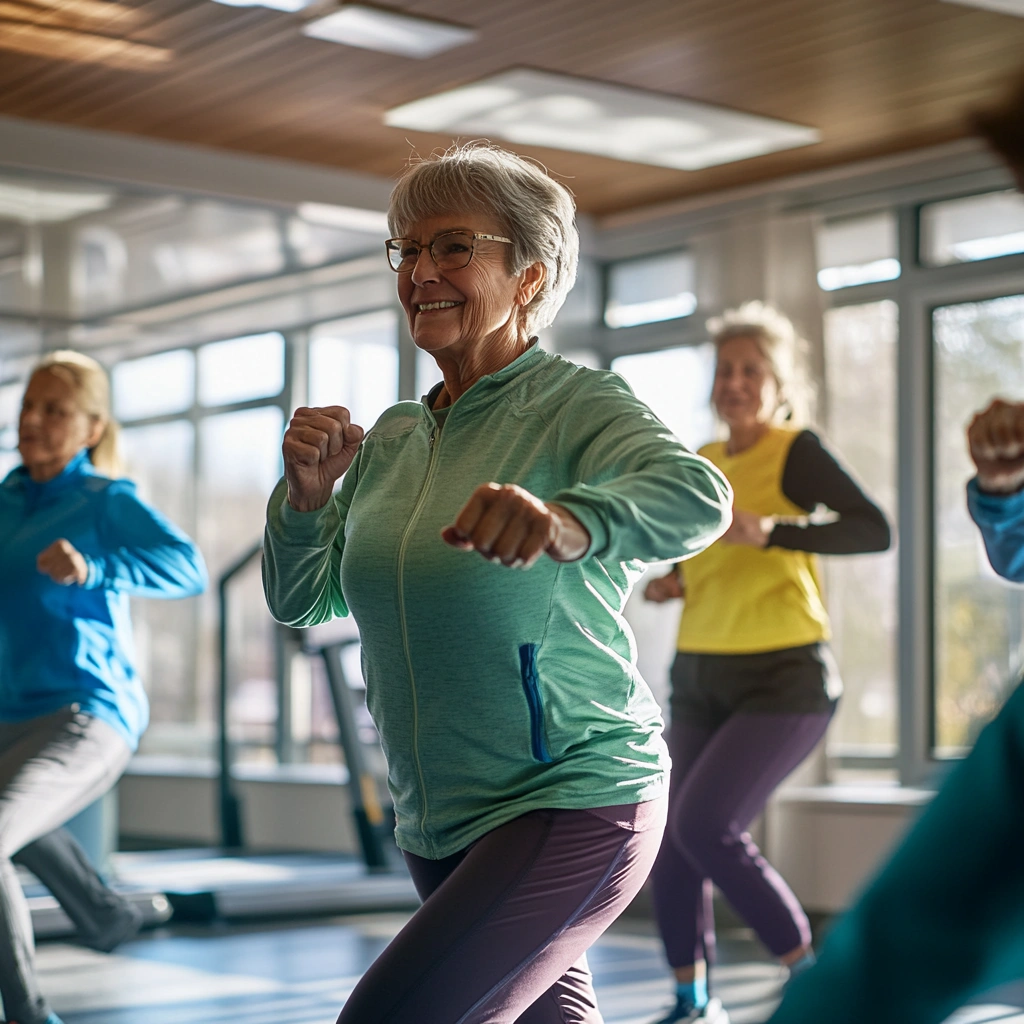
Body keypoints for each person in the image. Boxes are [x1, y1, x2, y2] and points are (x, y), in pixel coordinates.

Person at [262, 141, 733, 1024]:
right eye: (407, 249)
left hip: (574, 796)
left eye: (452, 247)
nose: (420, 272)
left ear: (528, 278)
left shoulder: (576, 405)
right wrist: (304, 500)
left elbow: (698, 496)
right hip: (437, 818)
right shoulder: (393, 438)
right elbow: (301, 600)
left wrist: (566, 521)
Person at [764, 75, 1024, 1024]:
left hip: (784, 677)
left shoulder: (796, 455)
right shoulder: (716, 454)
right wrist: (1005, 493)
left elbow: (896, 959)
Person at [643, 302, 891, 1024]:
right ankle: (691, 1000)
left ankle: (814, 979)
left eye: (752, 370)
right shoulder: (703, 464)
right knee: (672, 839)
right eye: (726, 370)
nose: (736, 382)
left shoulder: (794, 451)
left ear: (778, 385)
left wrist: (778, 531)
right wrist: (675, 581)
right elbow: (711, 562)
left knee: (706, 825)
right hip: (698, 675)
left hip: (784, 678)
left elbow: (873, 530)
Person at [0, 350, 207, 1024]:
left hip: (86, 714)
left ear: (91, 428)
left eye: (54, 410)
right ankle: (105, 914)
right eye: (28, 404)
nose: (32, 419)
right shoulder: (3, 501)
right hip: (7, 715)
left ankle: (29, 1016)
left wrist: (95, 568)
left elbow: (186, 568)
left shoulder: (105, 500)